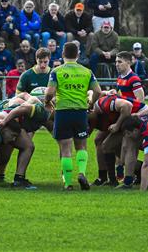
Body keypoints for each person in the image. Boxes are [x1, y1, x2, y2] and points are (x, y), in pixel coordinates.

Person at [45, 42, 102, 190]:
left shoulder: (56, 71)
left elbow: (50, 93)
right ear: (78, 55)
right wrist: (90, 104)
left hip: (63, 112)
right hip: (80, 112)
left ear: (63, 54)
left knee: (65, 148)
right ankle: (82, 173)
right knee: (81, 145)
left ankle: (68, 183)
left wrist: (47, 102)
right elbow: (98, 91)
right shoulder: (87, 71)